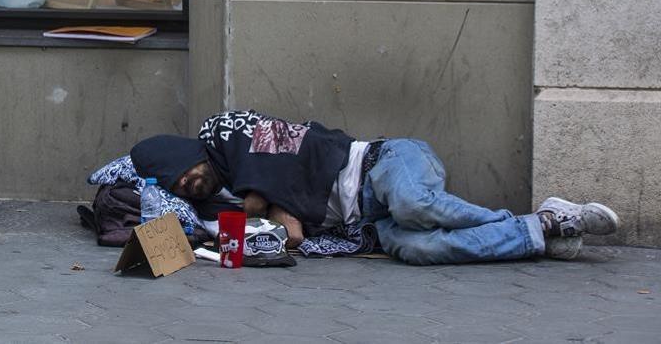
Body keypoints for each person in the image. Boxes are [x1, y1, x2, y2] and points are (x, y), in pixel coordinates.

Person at [129, 110, 619, 265]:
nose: (189, 185)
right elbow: (288, 234)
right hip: (368, 225)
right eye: (181, 188)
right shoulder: (218, 199)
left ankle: (546, 219)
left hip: (384, 163)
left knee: (411, 204)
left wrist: (240, 225)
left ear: (189, 154)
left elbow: (288, 226)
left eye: (186, 173)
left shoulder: (236, 134)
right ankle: (543, 229)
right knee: (418, 248)